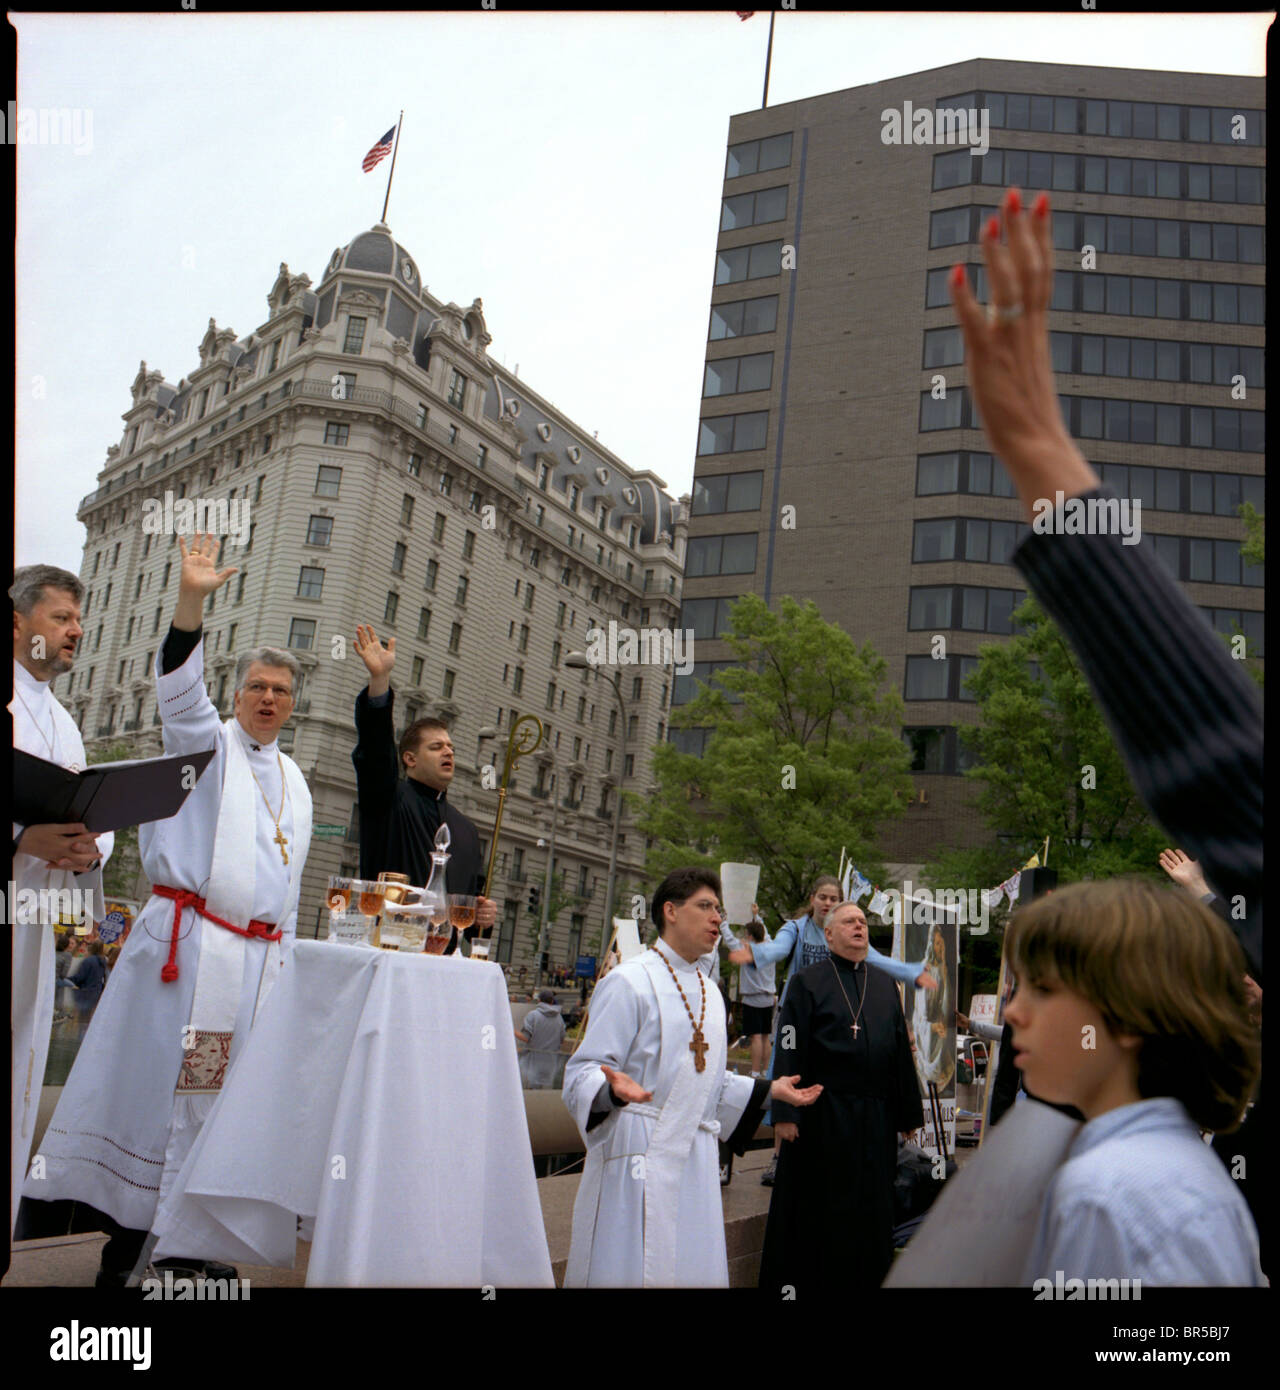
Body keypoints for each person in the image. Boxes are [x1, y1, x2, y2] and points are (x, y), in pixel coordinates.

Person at [22, 533, 314, 1286]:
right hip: (187, 958)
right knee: (158, 1106)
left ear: (292, 704)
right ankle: (129, 1254)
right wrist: (191, 603)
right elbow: (180, 695)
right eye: (256, 687)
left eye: (281, 691)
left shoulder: (296, 780)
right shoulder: (204, 744)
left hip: (252, 969)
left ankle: (192, 1254)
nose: (268, 699)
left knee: (223, 1114)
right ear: (238, 691)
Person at [562, 866, 822, 1286]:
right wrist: (611, 1090)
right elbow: (581, 1072)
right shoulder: (630, 980)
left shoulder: (712, 994)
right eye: (705, 907)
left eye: (718, 908)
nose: (717, 918)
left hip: (696, 1161)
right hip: (638, 1152)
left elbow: (708, 1083)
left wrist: (769, 1089)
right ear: (671, 911)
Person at [1006, 879, 1262, 1285]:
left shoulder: (1104, 1193)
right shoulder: (1180, 1167)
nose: (1012, 1013)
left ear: (1125, 1018)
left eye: (1042, 989)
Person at [10, 564, 114, 1237]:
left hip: (31, 927)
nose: (76, 631)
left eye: (78, 620)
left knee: (20, 1075)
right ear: (17, 622)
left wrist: (87, 849)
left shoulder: (67, 723)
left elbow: (82, 814)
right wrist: (23, 836)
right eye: (60, 618)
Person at [758, 900, 924, 1293]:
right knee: (821, 1213)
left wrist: (908, 1116)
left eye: (864, 922)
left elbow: (900, 1051)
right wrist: (784, 1111)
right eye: (849, 921)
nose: (859, 927)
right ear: (828, 934)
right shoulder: (807, 981)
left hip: (876, 1119)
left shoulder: (885, 985)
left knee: (870, 1213)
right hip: (822, 1116)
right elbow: (788, 1042)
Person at [727, 876, 936, 1185]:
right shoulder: (796, 929)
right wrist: (755, 955)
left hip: (849, 1037)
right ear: (813, 901)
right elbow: (777, 950)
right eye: (822, 897)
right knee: (785, 1079)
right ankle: (777, 1155)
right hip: (801, 1013)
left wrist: (914, 974)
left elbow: (879, 961)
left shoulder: (879, 984)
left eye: (833, 898)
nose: (827, 903)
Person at [351, 623, 495, 947]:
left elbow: (469, 922)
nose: (448, 752)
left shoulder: (467, 832)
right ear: (409, 759)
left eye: (452, 748)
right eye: (436, 747)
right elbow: (375, 754)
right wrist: (379, 683)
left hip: (442, 966)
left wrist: (483, 917)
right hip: (388, 947)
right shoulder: (388, 800)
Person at [739, 909, 776, 1078]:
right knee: (765, 1037)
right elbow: (765, 933)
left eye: (747, 934)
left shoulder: (747, 951)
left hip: (752, 998)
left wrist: (724, 923)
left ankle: (754, 1072)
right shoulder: (771, 947)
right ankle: (766, 1070)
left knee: (755, 1037)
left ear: (751, 937)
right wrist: (756, 915)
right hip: (768, 998)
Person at [515, 989, 566, 1089]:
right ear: (552, 1002)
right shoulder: (559, 1018)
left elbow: (525, 1038)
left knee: (532, 1093)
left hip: (533, 1063)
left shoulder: (533, 1015)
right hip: (551, 1064)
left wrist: (511, 1030)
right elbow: (562, 1040)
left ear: (539, 1001)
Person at [68, 939, 110, 1036]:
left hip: (85, 992)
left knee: (82, 1018)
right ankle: (85, 1037)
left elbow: (80, 977)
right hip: (96, 992)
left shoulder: (88, 961)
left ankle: (80, 1038)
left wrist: (68, 980)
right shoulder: (103, 962)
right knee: (88, 1018)